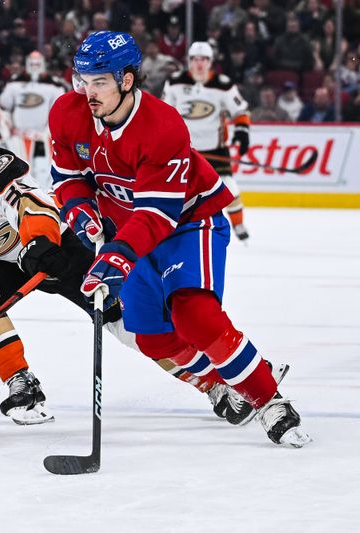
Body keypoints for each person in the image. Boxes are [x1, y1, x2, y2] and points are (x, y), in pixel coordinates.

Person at [0, 119, 257, 426]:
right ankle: (20, 383)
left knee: (130, 326)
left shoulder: (4, 175)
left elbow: (35, 209)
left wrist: (39, 243)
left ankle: (218, 382)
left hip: (59, 253)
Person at [50, 31, 310, 447]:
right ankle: (217, 385)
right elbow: (67, 179)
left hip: (187, 224)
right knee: (151, 336)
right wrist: (79, 211)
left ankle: (268, 400)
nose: (88, 91)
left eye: (99, 81)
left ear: (127, 80)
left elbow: (156, 215)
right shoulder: (67, 112)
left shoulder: (162, 127)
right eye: (82, 79)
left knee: (194, 315)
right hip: (127, 232)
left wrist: (116, 255)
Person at [162, 41, 252, 242]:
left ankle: (238, 225)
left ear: (211, 62)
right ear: (189, 61)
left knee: (229, 188)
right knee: (178, 194)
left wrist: (242, 132)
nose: (199, 64)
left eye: (204, 59)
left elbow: (240, 111)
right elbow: (165, 114)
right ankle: (174, 230)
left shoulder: (224, 84)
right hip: (185, 151)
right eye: (195, 59)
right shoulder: (175, 82)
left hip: (216, 151)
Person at [0, 51, 66, 192]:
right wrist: (8, 130)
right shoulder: (15, 83)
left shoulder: (54, 85)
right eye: (32, 64)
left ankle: (45, 197)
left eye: (38, 64)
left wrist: (48, 132)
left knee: (44, 171)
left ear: (44, 65)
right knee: (19, 172)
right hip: (19, 136)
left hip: (43, 138)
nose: (35, 67)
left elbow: (59, 111)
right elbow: (3, 107)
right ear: (27, 64)